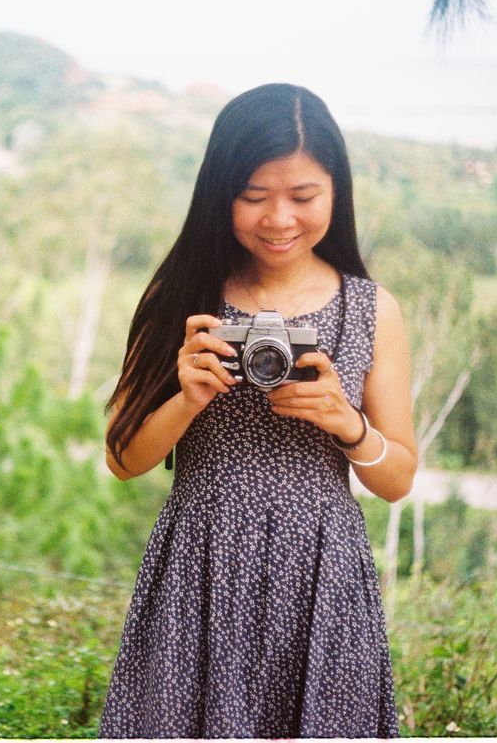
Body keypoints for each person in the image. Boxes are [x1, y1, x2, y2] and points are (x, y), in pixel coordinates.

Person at [98, 83, 417, 738]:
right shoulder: (181, 294)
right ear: (221, 193)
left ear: (337, 192)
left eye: (303, 196)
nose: (279, 218)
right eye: (254, 195)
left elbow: (399, 477)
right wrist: (187, 398)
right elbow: (122, 457)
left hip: (321, 580)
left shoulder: (370, 308)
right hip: (201, 571)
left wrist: (348, 425)